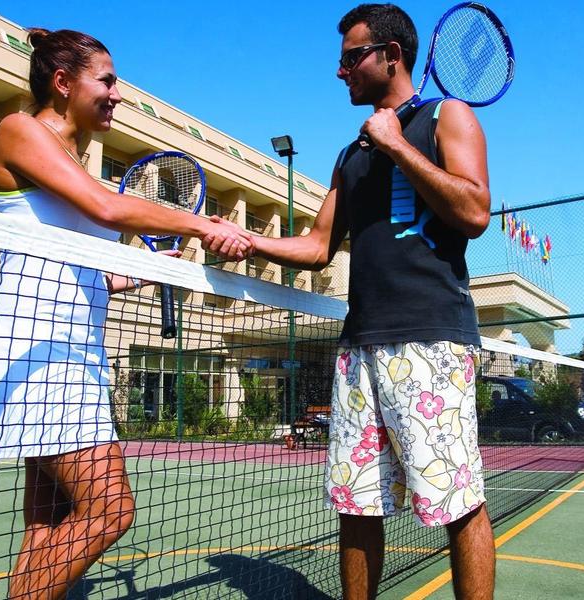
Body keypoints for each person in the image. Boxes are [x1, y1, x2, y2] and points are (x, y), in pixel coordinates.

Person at [205, 4, 494, 598]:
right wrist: (250, 239)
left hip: (430, 341)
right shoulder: (349, 155)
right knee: (357, 504)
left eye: (350, 57)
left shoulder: (447, 116)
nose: (341, 72)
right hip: (358, 347)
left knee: (456, 502)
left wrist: (397, 146)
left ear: (391, 56)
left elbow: (473, 212)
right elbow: (316, 246)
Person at [0, 28, 252, 600]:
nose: (117, 93)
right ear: (61, 83)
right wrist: (207, 224)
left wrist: (133, 276)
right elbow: (106, 206)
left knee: (49, 522)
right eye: (105, 80)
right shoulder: (19, 129)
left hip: (71, 348)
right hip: (38, 350)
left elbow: (68, 263)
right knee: (110, 509)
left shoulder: (69, 159)